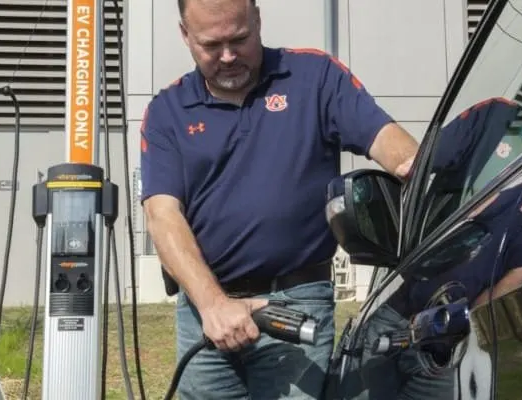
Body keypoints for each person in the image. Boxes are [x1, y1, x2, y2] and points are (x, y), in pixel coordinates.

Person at [139, 0, 419, 398]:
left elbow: (386, 140)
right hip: (204, 309)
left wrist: (415, 167)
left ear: (257, 19)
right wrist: (213, 305)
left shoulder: (314, 77)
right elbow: (162, 215)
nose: (228, 56)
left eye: (240, 39)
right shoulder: (168, 111)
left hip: (296, 304)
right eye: (211, 45)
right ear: (185, 34)